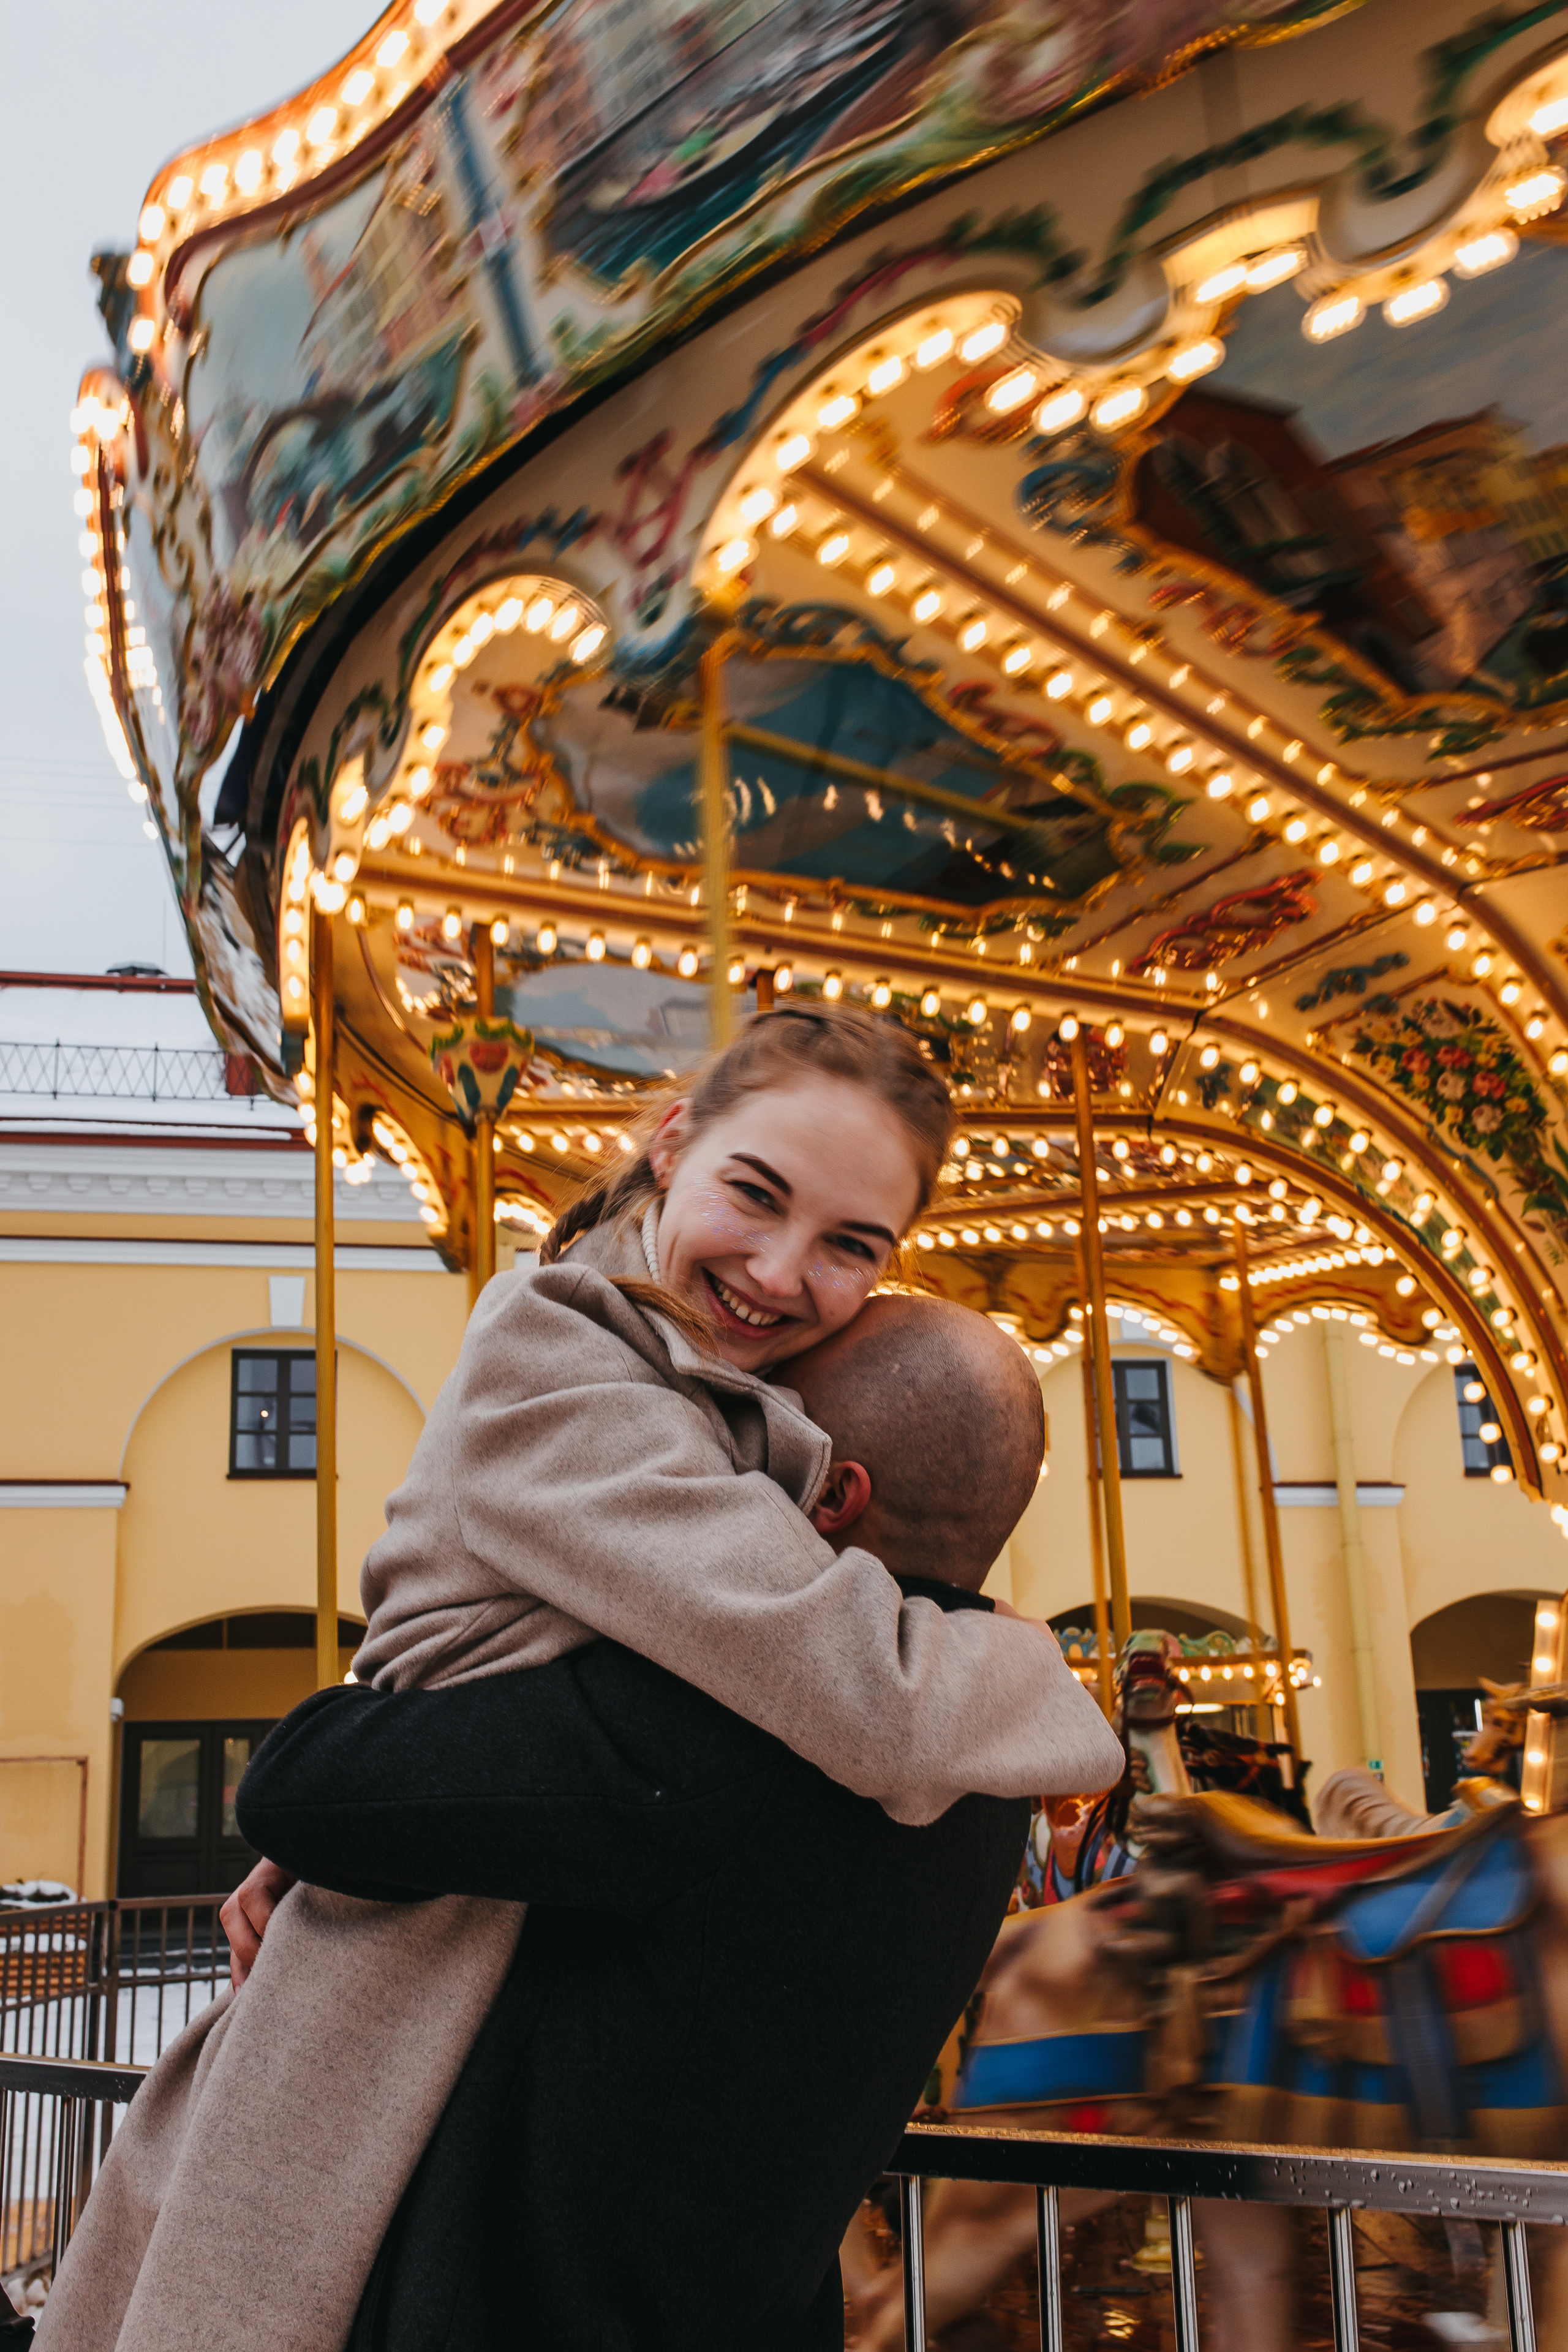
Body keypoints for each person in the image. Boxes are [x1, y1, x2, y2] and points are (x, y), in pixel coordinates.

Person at [39, 1006, 1114, 2352]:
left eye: (851, 1245)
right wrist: (1049, 1692)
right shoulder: (559, 1362)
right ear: (671, 1145)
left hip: (467, 1891)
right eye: (755, 1194)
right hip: (395, 1965)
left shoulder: (698, 1393)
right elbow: (872, 1697)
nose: (782, 1273)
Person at [235, 1291, 1120, 2348]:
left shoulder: (732, 1729)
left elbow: (300, 1784)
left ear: (832, 1492)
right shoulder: (985, 1746)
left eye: (747, 1436)